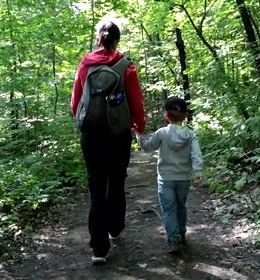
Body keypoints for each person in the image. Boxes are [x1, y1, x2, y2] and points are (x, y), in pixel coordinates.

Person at [71, 20, 146, 265]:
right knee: (116, 181)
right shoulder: (126, 65)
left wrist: (81, 122)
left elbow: (76, 100)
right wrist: (139, 125)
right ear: (118, 40)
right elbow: (136, 101)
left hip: (91, 134)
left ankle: (99, 249)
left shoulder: (85, 63)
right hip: (118, 133)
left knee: (95, 187)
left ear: (98, 39)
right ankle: (115, 226)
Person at [135, 96, 203, 254]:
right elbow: (196, 154)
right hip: (184, 178)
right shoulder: (191, 135)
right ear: (186, 115)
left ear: (166, 116)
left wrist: (138, 134)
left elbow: (147, 146)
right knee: (181, 205)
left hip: (165, 178)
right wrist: (198, 172)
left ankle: (173, 240)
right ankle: (181, 232)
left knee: (168, 209)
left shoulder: (162, 133)